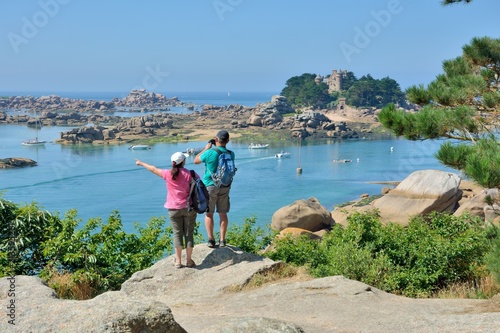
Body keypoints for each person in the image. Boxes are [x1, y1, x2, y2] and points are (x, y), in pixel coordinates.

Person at [135, 152, 198, 268]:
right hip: (189, 208)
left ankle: (178, 261)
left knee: (177, 234)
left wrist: (141, 163)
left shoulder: (168, 174)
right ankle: (189, 261)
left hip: (173, 208)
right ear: (183, 162)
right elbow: (199, 187)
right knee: (189, 234)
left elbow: (153, 169)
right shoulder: (191, 174)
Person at [194, 130, 235, 248]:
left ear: (216, 139)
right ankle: (222, 240)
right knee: (223, 213)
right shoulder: (231, 154)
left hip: (210, 186)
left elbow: (196, 160)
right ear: (228, 141)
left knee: (209, 213)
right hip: (225, 185)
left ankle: (211, 240)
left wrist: (206, 148)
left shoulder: (210, 152)